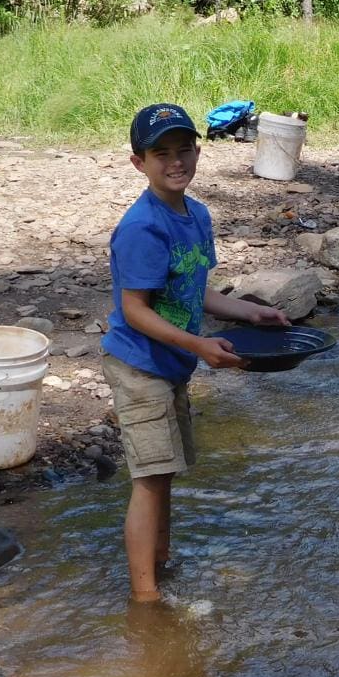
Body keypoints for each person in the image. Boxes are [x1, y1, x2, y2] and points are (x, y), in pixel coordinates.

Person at [101, 103, 290, 603]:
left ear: (198, 151)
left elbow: (196, 290)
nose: (175, 160)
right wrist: (201, 346)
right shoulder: (144, 227)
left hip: (171, 363)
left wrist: (250, 313)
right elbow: (136, 311)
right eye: (160, 153)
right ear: (138, 162)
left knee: (165, 473)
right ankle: (145, 601)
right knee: (149, 477)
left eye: (183, 148)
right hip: (139, 364)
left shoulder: (197, 214)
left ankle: (160, 565)